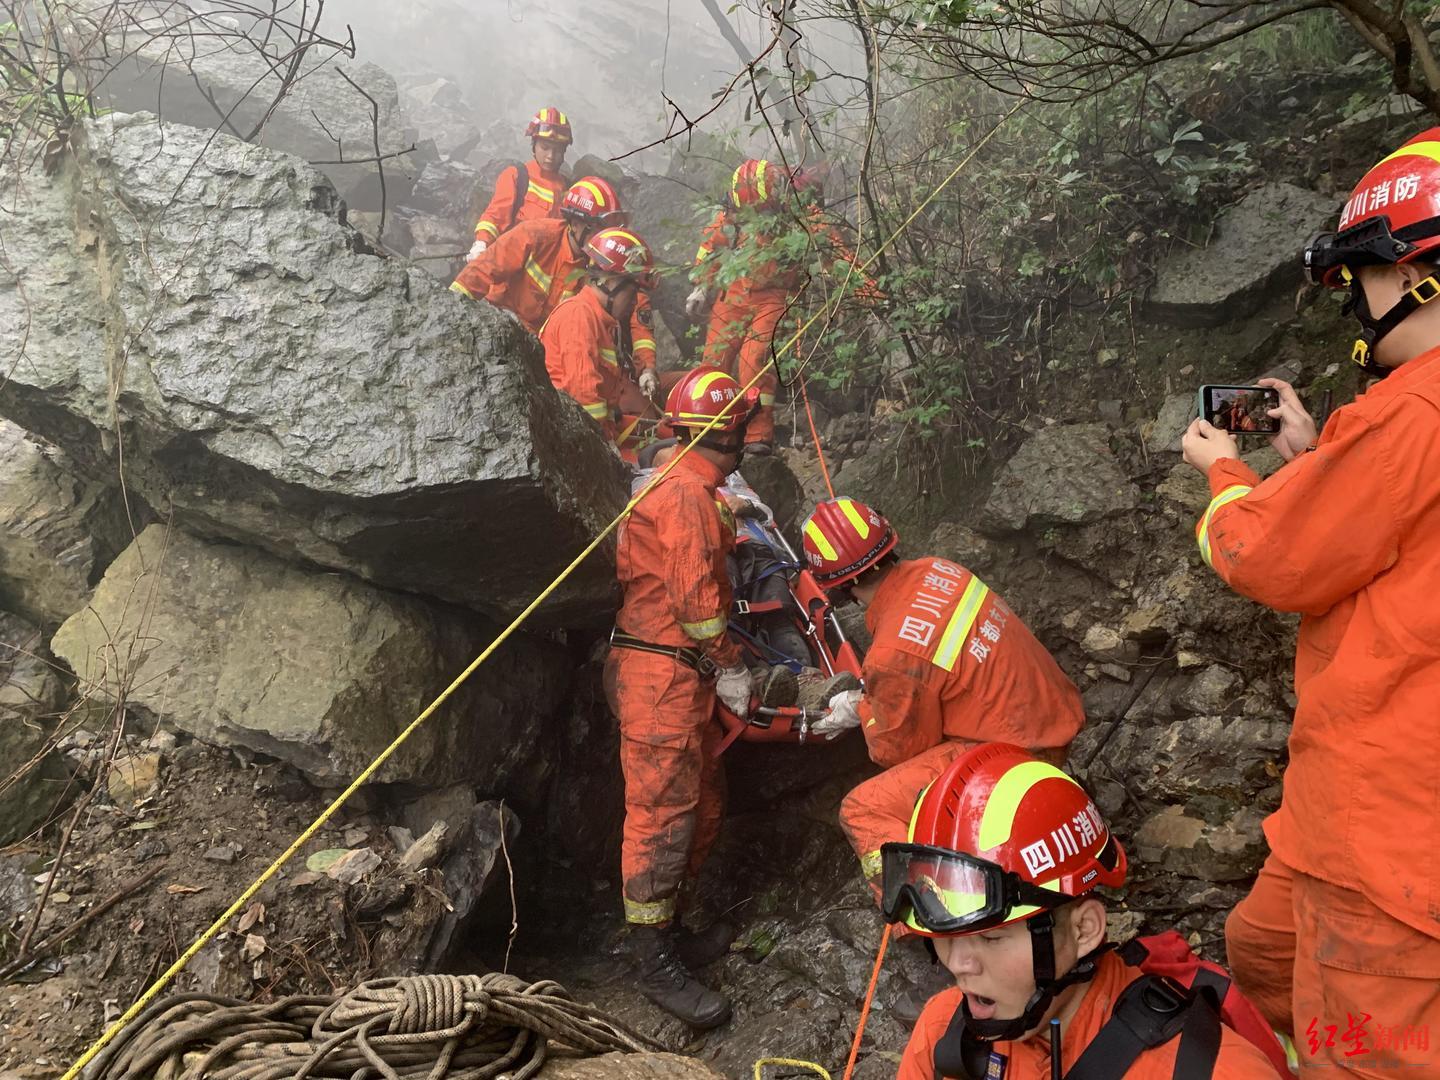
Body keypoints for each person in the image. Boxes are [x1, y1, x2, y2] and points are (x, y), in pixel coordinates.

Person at [1181, 127, 1440, 1074]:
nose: (1358, 306)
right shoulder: (1405, 422)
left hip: (1390, 843)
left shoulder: (1416, 409)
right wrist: (1315, 458)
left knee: (1364, 1053)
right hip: (1359, 818)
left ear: (1414, 269)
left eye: (1360, 279)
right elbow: (1391, 525)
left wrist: (1224, 475)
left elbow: (1268, 554)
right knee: (1263, 946)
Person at [891, 743, 1284, 1079]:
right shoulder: (944, 1031)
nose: (958, 964)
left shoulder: (1208, 1069)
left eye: (992, 937)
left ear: (1083, 930)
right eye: (947, 935)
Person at [798, 497, 1085, 893]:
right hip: (1054, 718)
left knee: (862, 810)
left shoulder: (890, 655)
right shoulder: (940, 570)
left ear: (838, 588)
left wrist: (863, 711)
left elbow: (897, 749)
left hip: (1019, 757)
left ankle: (935, 913)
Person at [605, 365, 758, 1028]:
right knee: (662, 818)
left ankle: (673, 928)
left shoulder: (686, 484)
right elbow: (697, 606)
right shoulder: (686, 497)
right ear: (727, 436)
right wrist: (730, 663)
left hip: (675, 674)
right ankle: (651, 960)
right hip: (660, 677)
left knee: (702, 803)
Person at [685, 159, 873, 454]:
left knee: (754, 361)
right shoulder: (730, 215)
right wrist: (700, 286)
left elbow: (833, 249)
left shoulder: (797, 215)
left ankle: (757, 433)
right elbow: (709, 249)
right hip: (732, 294)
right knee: (713, 361)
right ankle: (705, 427)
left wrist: (866, 291)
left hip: (773, 296)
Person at [452, 177, 662, 404]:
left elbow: (636, 306)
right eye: (598, 229)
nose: (603, 237)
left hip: (552, 358)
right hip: (500, 334)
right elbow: (480, 272)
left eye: (608, 230)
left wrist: (647, 367)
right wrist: (449, 315)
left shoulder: (603, 263)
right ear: (575, 222)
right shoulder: (535, 236)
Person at [539, 226, 658, 456]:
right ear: (610, 282)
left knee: (660, 435)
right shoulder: (579, 317)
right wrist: (608, 455)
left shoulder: (600, 320)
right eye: (632, 294)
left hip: (591, 432)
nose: (634, 303)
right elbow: (584, 399)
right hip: (576, 445)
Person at [468, 106, 571, 261]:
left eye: (557, 150)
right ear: (534, 145)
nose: (550, 156)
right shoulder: (517, 176)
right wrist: (481, 243)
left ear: (564, 152)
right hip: (508, 268)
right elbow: (496, 215)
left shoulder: (569, 190)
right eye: (545, 147)